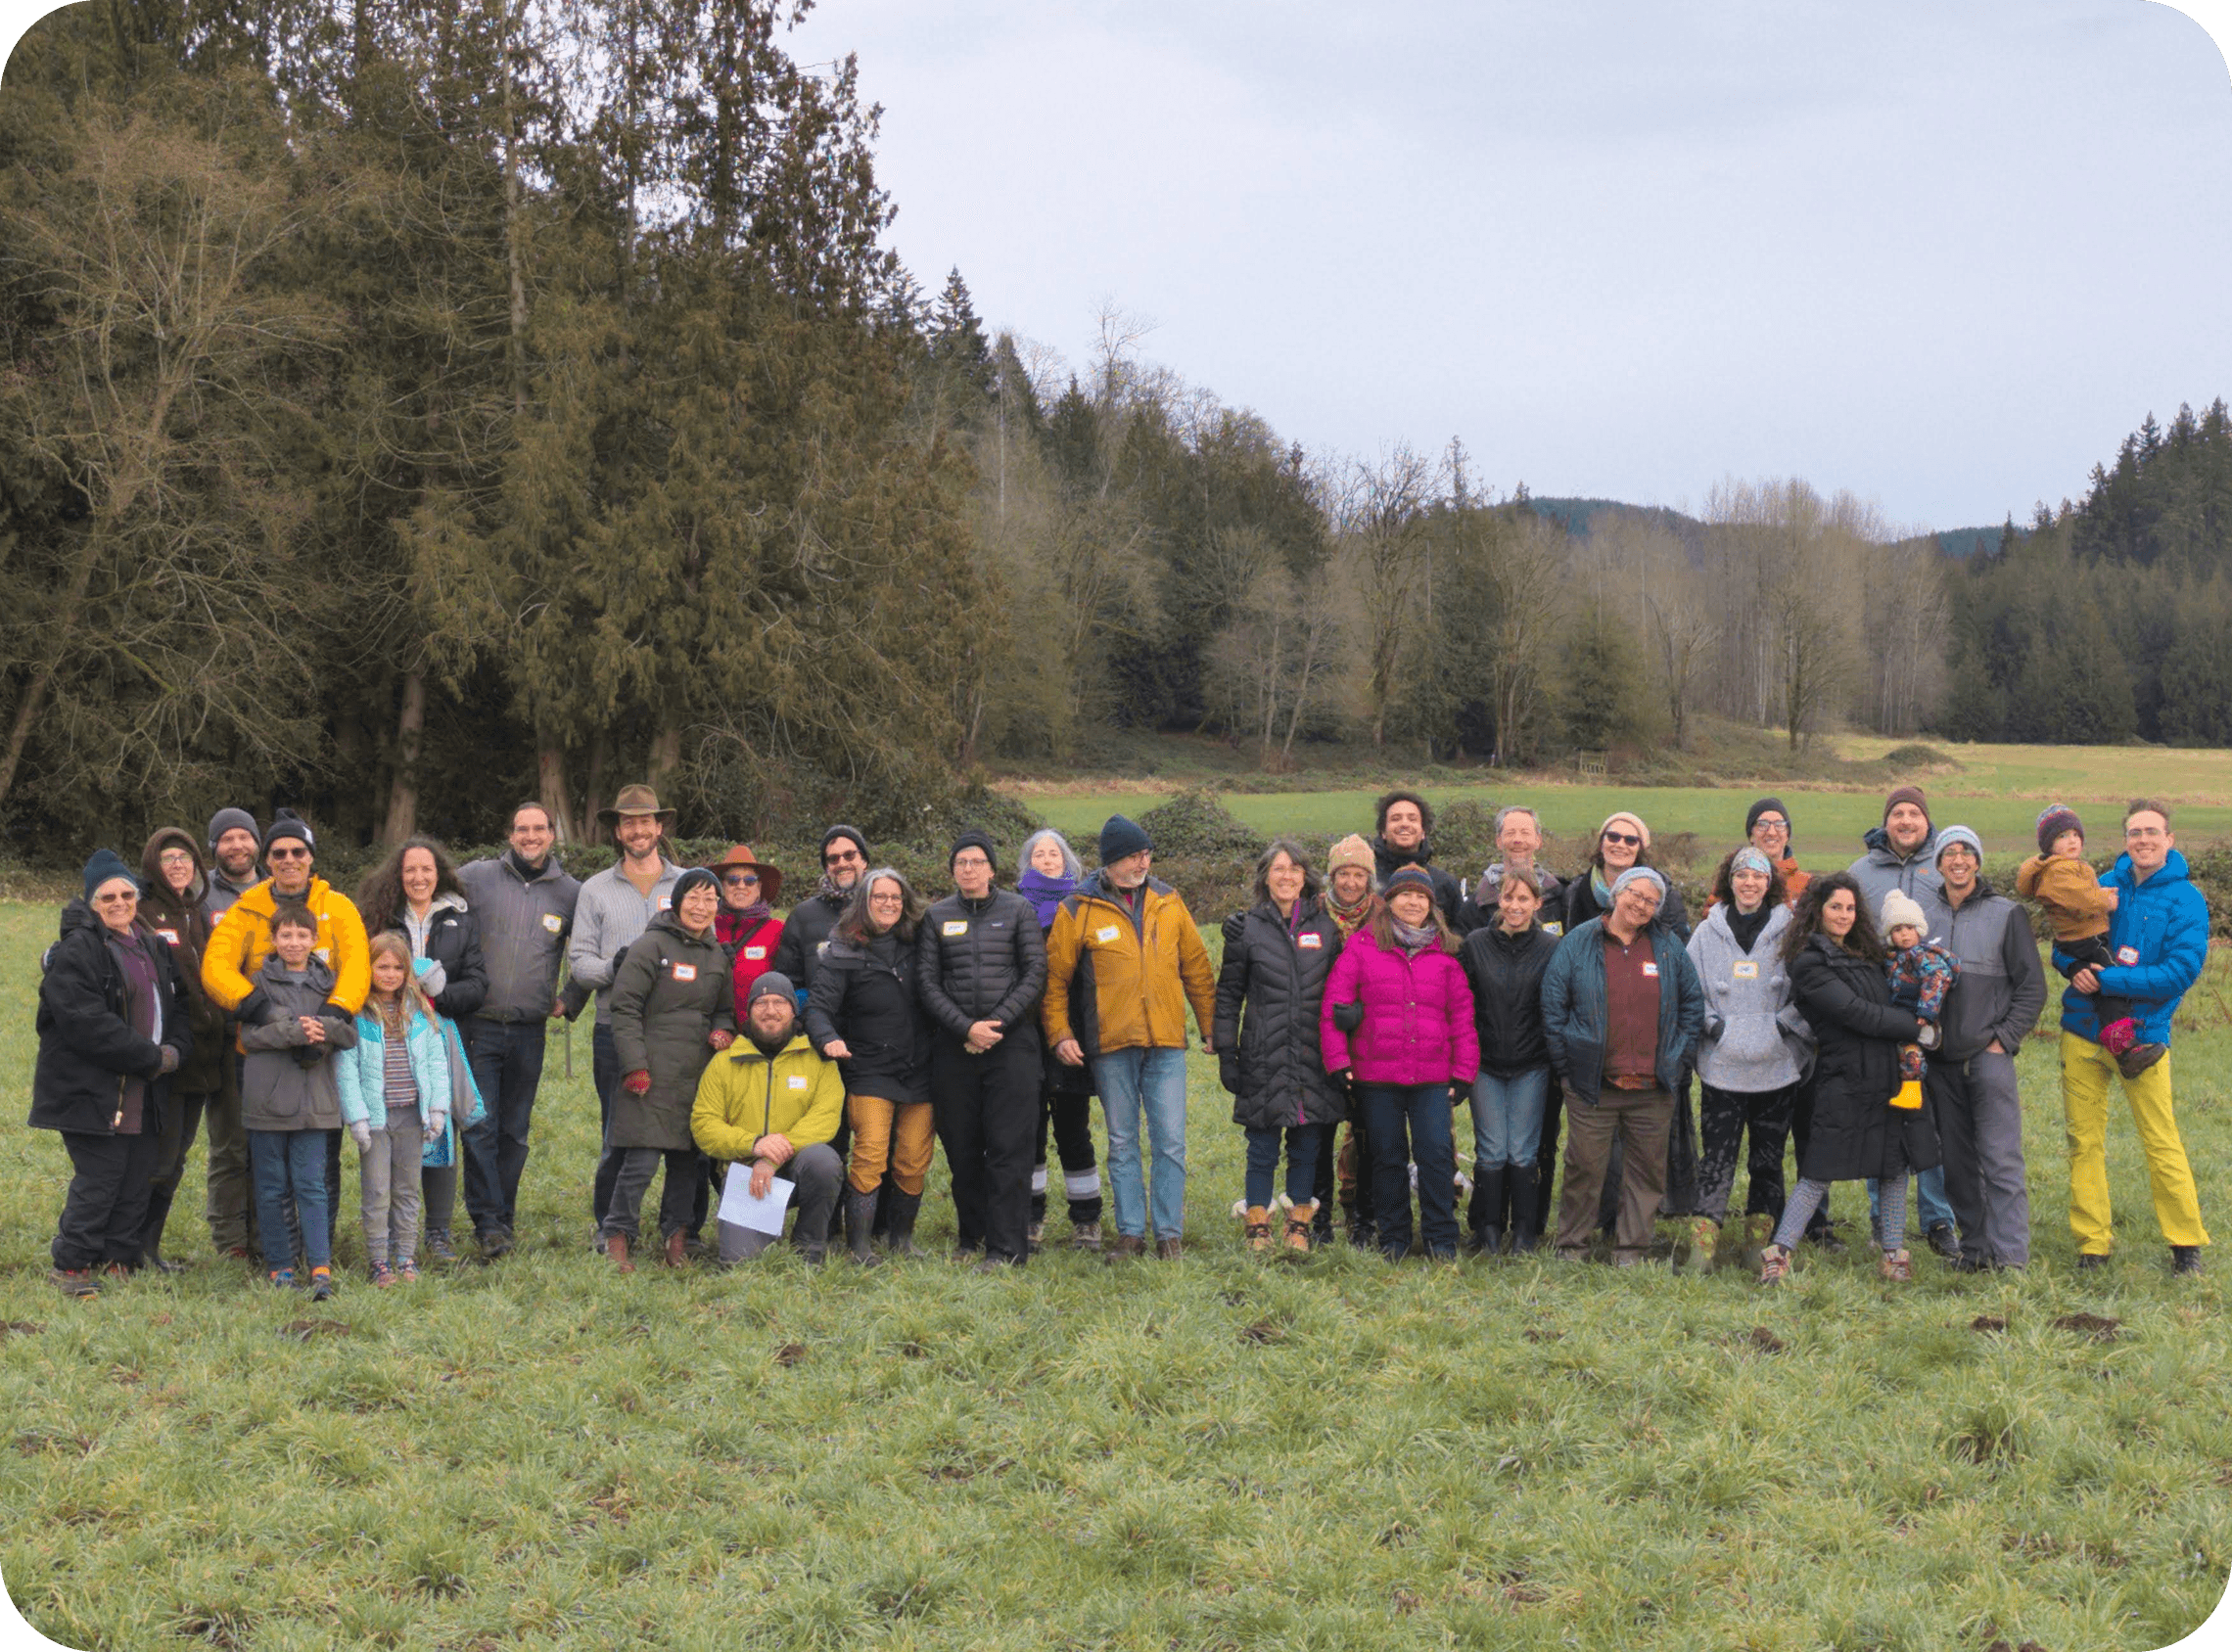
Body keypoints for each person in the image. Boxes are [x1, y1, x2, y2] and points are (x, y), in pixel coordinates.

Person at [1043, 814, 1217, 1262]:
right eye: (1135, 855)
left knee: (1170, 1141)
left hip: (1166, 1043)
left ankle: (1168, 1234)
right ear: (1112, 861)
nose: (1144, 862)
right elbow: (1055, 981)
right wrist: (1060, 1033)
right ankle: (1131, 1233)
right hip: (1111, 1045)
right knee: (1121, 1141)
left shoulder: (1169, 901)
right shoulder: (1076, 908)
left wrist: (1212, 1027)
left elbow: (1196, 967)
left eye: (1147, 854)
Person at [200, 811, 371, 1252]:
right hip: (263, 1054)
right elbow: (216, 966)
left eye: (299, 851)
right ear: (268, 858)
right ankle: (268, 1247)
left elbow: (356, 967)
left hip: (321, 1054)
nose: (289, 859)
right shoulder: (247, 908)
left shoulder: (340, 908)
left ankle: (319, 1246)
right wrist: (259, 1009)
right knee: (262, 1156)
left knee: (321, 1159)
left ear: (312, 858)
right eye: (280, 852)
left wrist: (330, 1021)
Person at [2056, 801, 2209, 1276]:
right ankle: (2092, 1246)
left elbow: (2180, 972)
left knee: (2160, 1140)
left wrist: (2110, 980)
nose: (2143, 839)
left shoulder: (2186, 900)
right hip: (2082, 1032)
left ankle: (2186, 1244)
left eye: (2152, 832)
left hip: (2143, 1041)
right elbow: (2064, 942)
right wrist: (2075, 969)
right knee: (2084, 1142)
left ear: (2170, 840)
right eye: (2135, 832)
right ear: (2125, 839)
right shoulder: (2100, 885)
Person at [31, 850, 195, 1298]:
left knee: (137, 1173)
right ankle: (73, 1265)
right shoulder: (77, 950)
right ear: (91, 901)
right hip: (92, 1088)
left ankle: (120, 1258)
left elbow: (178, 1005)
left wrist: (176, 1049)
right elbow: (85, 1023)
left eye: (127, 894)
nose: (120, 902)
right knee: (100, 1178)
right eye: (108, 896)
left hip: (145, 1086)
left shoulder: (152, 944)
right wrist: (148, 1056)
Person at [1758, 873, 1934, 1285]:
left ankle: (1893, 1253)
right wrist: (1917, 1027)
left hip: (1886, 1074)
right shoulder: (1807, 961)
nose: (1844, 915)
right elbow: (1855, 1013)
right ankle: (1779, 1251)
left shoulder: (1866, 954)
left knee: (1893, 1165)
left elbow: (1890, 997)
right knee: (1819, 1168)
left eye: (1851, 908)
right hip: (1842, 1075)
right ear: (1817, 911)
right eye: (1835, 907)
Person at [1541, 866, 1702, 1266]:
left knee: (1646, 1173)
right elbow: (1553, 1007)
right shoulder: (1578, 942)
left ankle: (1631, 1250)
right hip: (1593, 1084)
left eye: (1651, 901)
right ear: (1617, 893)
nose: (1641, 904)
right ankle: (1571, 1247)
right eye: (1635, 894)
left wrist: (1677, 1060)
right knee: (1584, 1169)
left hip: (1652, 1088)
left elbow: (1692, 1006)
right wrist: (1567, 1067)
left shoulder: (1668, 948)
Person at [1321, 866, 1478, 1261]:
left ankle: (1441, 1237)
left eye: (1421, 897)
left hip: (1431, 1075)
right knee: (1386, 1158)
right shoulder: (1362, 947)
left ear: (1431, 905)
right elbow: (1334, 1008)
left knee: (1436, 1155)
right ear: (1388, 901)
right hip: (1376, 1075)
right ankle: (1394, 1238)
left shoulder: (1446, 953)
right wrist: (1338, 1060)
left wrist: (1464, 1071)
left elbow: (1462, 1018)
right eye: (1405, 895)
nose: (1413, 902)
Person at [1914, 824, 2046, 1271]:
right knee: (1956, 1163)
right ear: (1937, 863)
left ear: (1978, 860)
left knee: (2000, 1159)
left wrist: (2002, 1040)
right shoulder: (1920, 917)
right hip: (1939, 1062)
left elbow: (2032, 988)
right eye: (1949, 853)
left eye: (1966, 852)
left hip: (1986, 1058)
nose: (1958, 860)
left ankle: (2011, 1258)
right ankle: (1975, 1251)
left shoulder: (2006, 914)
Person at [455, 802, 580, 1260]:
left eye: (540, 829)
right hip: (478, 1024)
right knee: (479, 1125)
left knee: (515, 1131)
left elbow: (585, 949)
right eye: (522, 829)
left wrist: (572, 997)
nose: (531, 836)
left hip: (529, 1030)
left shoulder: (569, 892)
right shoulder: (475, 877)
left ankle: (503, 1216)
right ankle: (487, 1222)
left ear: (552, 835)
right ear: (510, 835)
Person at [919, 834, 1048, 1271]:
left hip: (1012, 1047)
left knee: (1010, 1148)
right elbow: (927, 982)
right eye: (961, 862)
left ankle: (1007, 1247)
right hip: (955, 1049)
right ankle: (971, 1236)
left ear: (993, 870)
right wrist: (964, 1028)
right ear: (953, 870)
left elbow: (1034, 973)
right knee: (962, 1146)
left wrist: (995, 1025)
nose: (969, 869)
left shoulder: (1019, 911)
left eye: (977, 862)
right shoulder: (936, 917)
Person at [566, 785, 684, 1257]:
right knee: (617, 1130)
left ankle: (679, 1227)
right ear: (618, 831)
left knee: (678, 1130)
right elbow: (579, 963)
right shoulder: (594, 889)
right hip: (613, 1028)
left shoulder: (686, 885)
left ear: (660, 827)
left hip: (675, 1031)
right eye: (628, 823)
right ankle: (609, 1226)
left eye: (646, 821)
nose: (638, 830)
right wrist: (619, 968)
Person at [357, 837, 488, 1263]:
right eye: (410, 870)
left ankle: (438, 1232)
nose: (418, 877)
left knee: (442, 1125)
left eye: (426, 870)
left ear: (440, 874)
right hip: (390, 1034)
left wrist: (439, 995)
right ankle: (395, 1234)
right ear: (399, 875)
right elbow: (363, 973)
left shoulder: (460, 919)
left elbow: (478, 983)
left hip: (441, 1035)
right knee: (399, 1129)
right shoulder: (379, 918)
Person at [1216, 840, 1346, 1256]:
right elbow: (1229, 994)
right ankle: (1258, 1224)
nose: (1287, 876)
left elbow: (1342, 988)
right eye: (1278, 869)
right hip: (1263, 1052)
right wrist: (1226, 1052)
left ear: (1306, 876)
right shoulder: (1246, 928)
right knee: (1263, 1145)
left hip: (1312, 1053)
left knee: (1307, 1143)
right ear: (1265, 877)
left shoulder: (1326, 928)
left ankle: (1299, 1225)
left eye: (1294, 868)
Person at [601, 866, 734, 1271]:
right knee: (639, 1163)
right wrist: (634, 1067)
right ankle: (617, 1235)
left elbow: (725, 1010)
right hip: (650, 1072)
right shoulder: (649, 946)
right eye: (693, 897)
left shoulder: (717, 954)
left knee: (686, 1165)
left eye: (710, 899)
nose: (701, 906)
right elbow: (623, 1009)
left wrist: (722, 1031)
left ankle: (676, 1239)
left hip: (695, 1075)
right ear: (677, 902)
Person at [1683, 848, 1807, 1272]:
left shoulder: (1793, 931)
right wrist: (1716, 1029)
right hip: (1722, 1069)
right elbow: (1688, 993)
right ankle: (1703, 1248)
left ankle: (1759, 1244)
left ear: (1770, 882)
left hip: (1776, 1068)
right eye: (1741, 875)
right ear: (1729, 881)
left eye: (1758, 876)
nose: (1749, 883)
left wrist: (1781, 1028)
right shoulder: (1705, 933)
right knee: (1716, 1158)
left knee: (1767, 1159)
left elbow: (1807, 990)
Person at [807, 868, 934, 1264]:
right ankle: (858, 1246)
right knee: (871, 1152)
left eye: (895, 897)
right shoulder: (843, 951)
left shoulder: (921, 944)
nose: (889, 903)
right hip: (869, 1070)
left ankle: (902, 1241)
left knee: (914, 1156)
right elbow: (818, 1009)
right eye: (880, 896)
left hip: (922, 1070)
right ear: (864, 901)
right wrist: (828, 1038)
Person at [237, 903, 359, 1299]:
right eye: (285, 935)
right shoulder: (257, 985)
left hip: (316, 1105)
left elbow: (349, 1034)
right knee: (271, 1188)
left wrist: (321, 1027)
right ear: (272, 940)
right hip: (267, 1103)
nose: (293, 943)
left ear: (314, 940)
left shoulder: (330, 984)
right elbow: (248, 1037)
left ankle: (320, 1266)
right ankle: (280, 1266)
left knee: (312, 1185)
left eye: (301, 935)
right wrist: (293, 1031)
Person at [692, 972, 846, 1264]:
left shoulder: (817, 1060)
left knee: (824, 1160)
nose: (771, 1011)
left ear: (793, 1009)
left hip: (798, 1169)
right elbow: (704, 1125)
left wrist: (773, 1155)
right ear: (749, 1011)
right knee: (739, 1263)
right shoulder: (724, 1062)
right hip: (747, 1175)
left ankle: (809, 1248)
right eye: (761, 1003)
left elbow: (824, 1119)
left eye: (779, 1002)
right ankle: (754, 1229)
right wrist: (754, 1145)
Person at [134, 829, 227, 1272]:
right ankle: (131, 1247)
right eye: (168, 857)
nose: (177, 864)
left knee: (176, 1160)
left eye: (185, 856)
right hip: (167, 1056)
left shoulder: (201, 912)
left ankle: (147, 1248)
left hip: (203, 1058)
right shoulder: (141, 910)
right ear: (153, 862)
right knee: (159, 1158)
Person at [333, 935, 451, 1285]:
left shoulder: (419, 1013)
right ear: (368, 969)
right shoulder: (358, 1015)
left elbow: (435, 1063)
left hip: (411, 1116)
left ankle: (406, 1256)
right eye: (382, 966)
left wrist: (437, 1110)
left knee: (407, 1189)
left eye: (398, 967)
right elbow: (346, 1070)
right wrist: (357, 1117)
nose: (390, 974)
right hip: (375, 1120)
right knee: (377, 1190)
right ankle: (379, 1260)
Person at [1458, 864, 1558, 1255]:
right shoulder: (1476, 944)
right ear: (1498, 900)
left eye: (1523, 899)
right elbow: (1462, 1004)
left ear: (1537, 903)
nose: (1515, 906)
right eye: (1509, 898)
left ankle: (1524, 1232)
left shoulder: (1551, 949)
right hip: (1486, 1063)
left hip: (1532, 1064)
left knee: (1522, 1150)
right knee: (1491, 1149)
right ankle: (1487, 1230)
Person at [2019, 804, 2155, 1076]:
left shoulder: (2065, 867)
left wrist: (2098, 893)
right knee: (2112, 980)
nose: (2071, 841)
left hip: (2083, 937)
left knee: (2104, 982)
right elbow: (2080, 899)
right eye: (2062, 836)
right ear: (2048, 845)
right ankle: (2124, 1046)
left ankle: (2123, 1040)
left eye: (2075, 834)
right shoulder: (2058, 870)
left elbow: (2078, 895)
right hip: (2086, 939)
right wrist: (2106, 900)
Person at [1017, 829, 1103, 1251]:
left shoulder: (1085, 908)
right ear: (1027, 863)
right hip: (1025, 1036)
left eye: (1054, 853)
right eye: (1039, 854)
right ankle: (1030, 1220)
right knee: (1028, 1129)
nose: (1047, 860)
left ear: (1068, 862)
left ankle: (1087, 1220)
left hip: (1072, 1035)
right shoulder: (1014, 908)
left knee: (1074, 1129)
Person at [200, 807, 262, 1262]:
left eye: (244, 836)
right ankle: (230, 1239)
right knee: (229, 1144)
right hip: (221, 1035)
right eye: (227, 839)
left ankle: (268, 1233)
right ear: (214, 847)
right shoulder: (200, 894)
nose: (237, 845)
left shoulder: (277, 886)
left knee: (269, 1143)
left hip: (273, 1036)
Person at [1320, 833, 1381, 1248]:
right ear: (1332, 876)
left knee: (1367, 1129)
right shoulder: (1314, 915)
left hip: (1373, 1034)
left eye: (1360, 874)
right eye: (1344, 873)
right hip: (1321, 1032)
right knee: (1321, 1126)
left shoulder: (1382, 916)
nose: (1351, 882)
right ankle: (1319, 1211)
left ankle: (1363, 1213)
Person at [773, 825, 872, 997]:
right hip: (822, 1019)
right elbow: (788, 982)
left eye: (849, 855)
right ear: (827, 868)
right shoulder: (802, 916)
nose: (842, 863)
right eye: (833, 859)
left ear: (864, 861)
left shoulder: (885, 907)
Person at [1879, 889, 1956, 1096]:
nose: (1904, 934)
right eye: (1897, 929)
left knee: (1910, 1051)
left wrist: (1926, 1010)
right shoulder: (1889, 958)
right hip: (1896, 1012)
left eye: (1909, 928)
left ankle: (1912, 1090)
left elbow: (1937, 978)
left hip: (1917, 1015)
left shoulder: (1923, 956)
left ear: (1919, 930)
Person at [1454, 805, 1564, 936]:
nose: (1517, 840)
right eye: (1510, 833)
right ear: (1498, 841)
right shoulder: (1476, 905)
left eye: (1525, 833)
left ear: (1538, 841)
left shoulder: (1559, 897)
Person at [709, 844, 785, 1026]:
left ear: (759, 888)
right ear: (722, 886)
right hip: (710, 1030)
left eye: (749, 881)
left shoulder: (777, 930)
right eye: (733, 880)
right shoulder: (707, 927)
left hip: (758, 1031)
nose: (741, 886)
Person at [1847, 785, 1943, 914]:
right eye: (1898, 814)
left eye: (1914, 814)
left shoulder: (1946, 870)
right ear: (1886, 823)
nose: (1906, 821)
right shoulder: (1858, 874)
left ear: (1927, 823)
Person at [1370, 791, 1462, 922]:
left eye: (1412, 819)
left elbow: (1458, 933)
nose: (1404, 824)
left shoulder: (1445, 884)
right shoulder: (1366, 879)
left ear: (1423, 831)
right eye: (1396, 819)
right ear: (1383, 832)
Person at [1744, 798, 1810, 907]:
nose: (1771, 832)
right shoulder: (1736, 881)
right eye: (1762, 824)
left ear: (1787, 835)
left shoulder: (1807, 885)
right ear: (1751, 835)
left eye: (1779, 825)